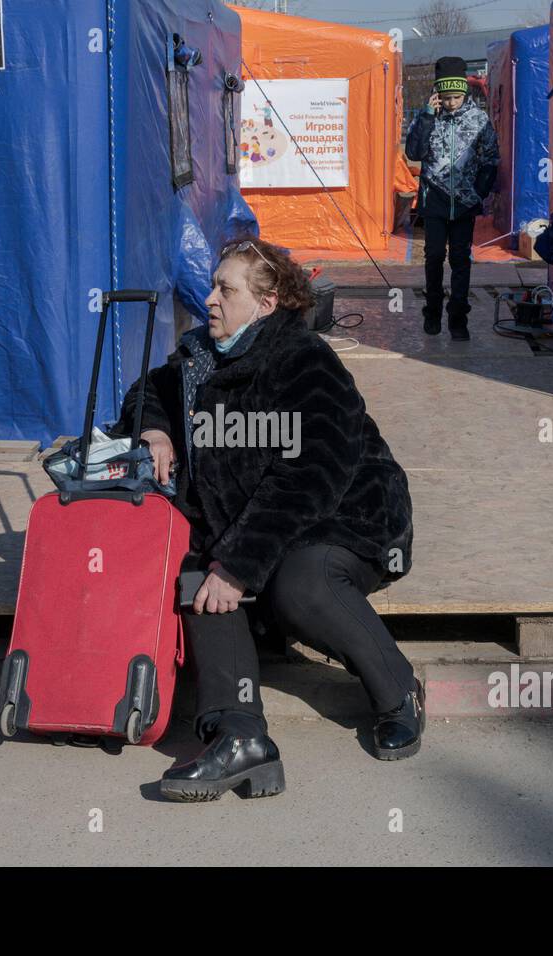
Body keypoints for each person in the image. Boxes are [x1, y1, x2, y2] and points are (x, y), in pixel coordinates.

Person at [113, 237, 422, 802]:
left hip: (344, 511)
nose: (209, 299)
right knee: (196, 576)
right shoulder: (198, 358)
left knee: (296, 583)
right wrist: (153, 427)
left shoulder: (303, 360)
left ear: (267, 303)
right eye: (212, 285)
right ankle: (240, 737)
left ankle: (398, 693)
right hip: (248, 522)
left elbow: (312, 474)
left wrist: (238, 565)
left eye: (225, 290)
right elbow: (144, 393)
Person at [404, 56, 500, 341]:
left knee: (461, 259)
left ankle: (458, 318)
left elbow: (492, 158)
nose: (451, 103)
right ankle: (432, 312)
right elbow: (414, 153)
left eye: (456, 97)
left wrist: (478, 191)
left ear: (465, 92)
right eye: (445, 98)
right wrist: (425, 118)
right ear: (437, 95)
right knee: (433, 257)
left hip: (465, 203)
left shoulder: (478, 119)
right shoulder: (428, 117)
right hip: (434, 200)